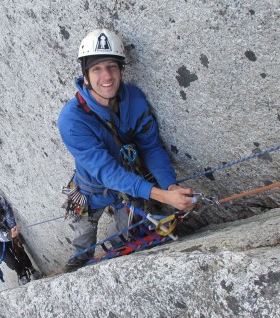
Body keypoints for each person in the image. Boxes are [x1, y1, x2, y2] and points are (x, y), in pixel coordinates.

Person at [57, 28, 195, 272]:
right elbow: (107, 172)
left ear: (121, 70)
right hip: (91, 192)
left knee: (126, 238)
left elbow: (151, 146)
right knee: (83, 243)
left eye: (112, 66)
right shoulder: (72, 119)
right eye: (97, 69)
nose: (106, 76)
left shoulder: (134, 99)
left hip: (129, 188)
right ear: (85, 76)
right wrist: (163, 196)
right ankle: (77, 267)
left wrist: (170, 185)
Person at [0, 188, 42, 285]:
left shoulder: (1, 201)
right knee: (9, 259)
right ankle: (21, 273)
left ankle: (31, 268)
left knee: (18, 249)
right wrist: (10, 235)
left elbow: (9, 217)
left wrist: (13, 230)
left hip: (4, 228)